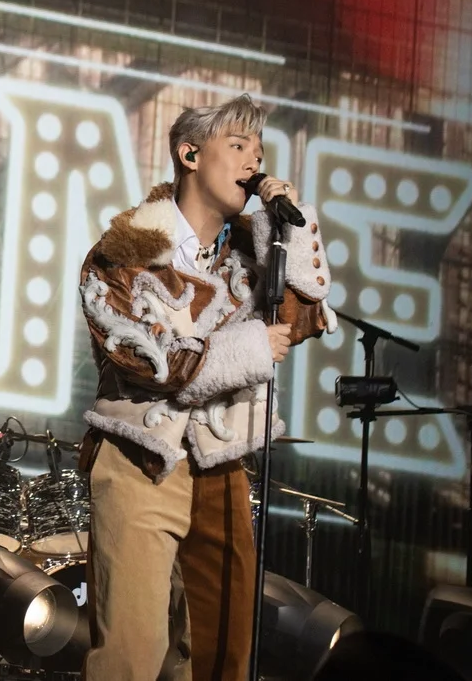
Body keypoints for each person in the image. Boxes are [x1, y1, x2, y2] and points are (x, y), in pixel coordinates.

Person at [77, 94, 336, 681]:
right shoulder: (125, 250)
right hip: (143, 457)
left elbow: (303, 320)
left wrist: (286, 229)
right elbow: (146, 357)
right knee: (131, 655)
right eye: (238, 146)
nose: (253, 162)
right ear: (189, 154)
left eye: (259, 152)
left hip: (222, 464)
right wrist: (245, 350)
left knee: (224, 653)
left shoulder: (251, 256)